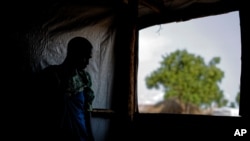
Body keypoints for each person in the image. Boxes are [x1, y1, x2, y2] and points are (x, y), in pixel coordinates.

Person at [36, 36, 95, 141]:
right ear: (74, 54)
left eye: (89, 58)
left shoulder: (84, 78)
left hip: (81, 136)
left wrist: (91, 136)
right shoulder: (50, 75)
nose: (87, 62)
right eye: (85, 57)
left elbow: (86, 111)